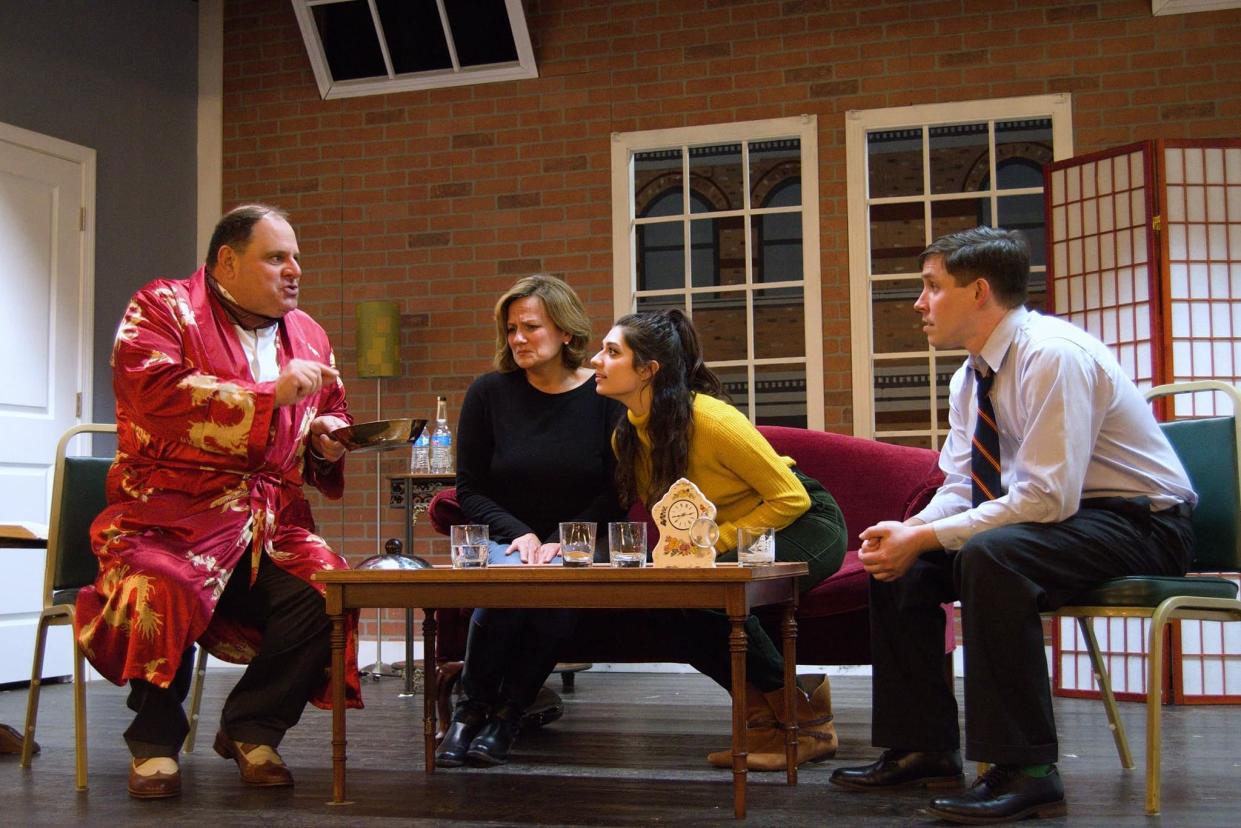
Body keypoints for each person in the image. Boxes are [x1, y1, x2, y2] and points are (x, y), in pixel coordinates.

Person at [831, 226, 1197, 824]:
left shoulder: (1051, 355)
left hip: (1145, 525)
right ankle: (923, 746)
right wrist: (910, 533)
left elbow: (1047, 498)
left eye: (930, 287)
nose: (918, 304)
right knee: (902, 563)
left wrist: (925, 535)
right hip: (1066, 518)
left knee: (991, 555)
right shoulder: (969, 377)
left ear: (978, 292)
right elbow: (960, 486)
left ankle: (1027, 771)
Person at [74, 204, 363, 800]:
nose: (294, 271)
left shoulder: (308, 332)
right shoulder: (161, 307)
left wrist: (327, 439)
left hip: (270, 524)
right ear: (227, 261)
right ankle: (155, 740)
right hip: (169, 516)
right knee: (164, 584)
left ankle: (253, 727)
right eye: (276, 257)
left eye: (297, 259)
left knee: (329, 589)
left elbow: (333, 408)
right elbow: (154, 392)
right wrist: (266, 395)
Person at [591, 308, 848, 771]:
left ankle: (806, 723)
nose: (596, 360)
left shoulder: (711, 420)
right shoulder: (627, 436)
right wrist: (676, 553)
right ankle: (765, 722)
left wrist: (711, 547)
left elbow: (789, 498)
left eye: (612, 352)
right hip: (737, 534)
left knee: (709, 593)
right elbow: (673, 512)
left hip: (803, 522)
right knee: (661, 598)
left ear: (649, 370)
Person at [435, 274, 626, 768]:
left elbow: (618, 490)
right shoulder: (489, 394)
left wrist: (565, 540)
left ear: (566, 331)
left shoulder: (605, 397)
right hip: (507, 534)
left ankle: (508, 714)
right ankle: (468, 712)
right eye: (511, 328)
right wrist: (520, 534)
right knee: (509, 581)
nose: (517, 338)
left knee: (556, 585)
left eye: (531, 327)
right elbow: (469, 487)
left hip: (581, 537)